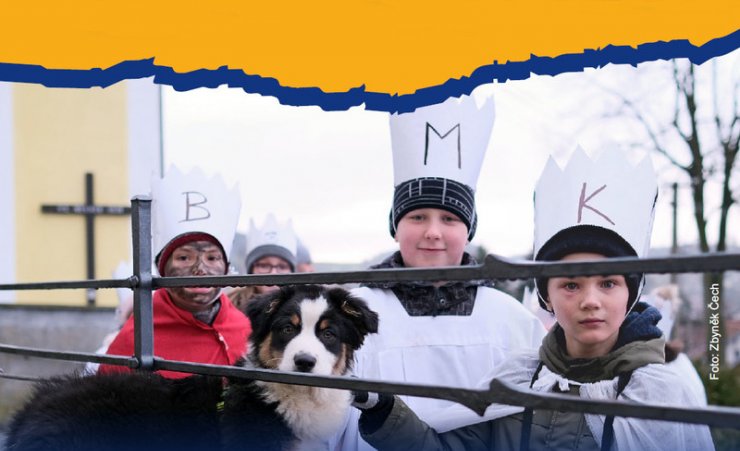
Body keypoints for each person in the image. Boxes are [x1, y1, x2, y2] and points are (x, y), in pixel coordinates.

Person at [355, 147, 715, 451]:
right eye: (571, 285)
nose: (590, 300)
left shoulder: (659, 393)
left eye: (608, 283)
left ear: (631, 293)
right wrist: (385, 411)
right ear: (547, 297)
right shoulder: (520, 378)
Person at [337, 93, 547, 450]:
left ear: (468, 231)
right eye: (418, 217)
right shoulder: (354, 312)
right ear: (395, 228)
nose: (433, 232)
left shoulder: (509, 318)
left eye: (449, 219)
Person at [98, 166, 251, 379]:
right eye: (184, 257)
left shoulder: (244, 327)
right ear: (162, 268)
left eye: (212, 258)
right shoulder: (137, 336)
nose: (200, 269)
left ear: (226, 267)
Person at [227, 213, 298, 312]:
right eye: (264, 265)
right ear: (251, 270)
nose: (273, 273)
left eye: (282, 267)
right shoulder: (229, 307)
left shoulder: (301, 308)